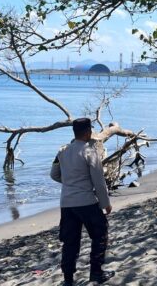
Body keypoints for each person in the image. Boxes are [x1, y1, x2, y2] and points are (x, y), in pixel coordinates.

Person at [50, 118, 114, 285]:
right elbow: (98, 181)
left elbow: (54, 175)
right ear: (87, 132)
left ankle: (68, 279)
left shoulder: (62, 151)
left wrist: (71, 183)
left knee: (70, 242)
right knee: (100, 234)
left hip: (67, 203)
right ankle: (96, 272)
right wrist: (105, 203)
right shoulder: (90, 151)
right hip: (86, 201)